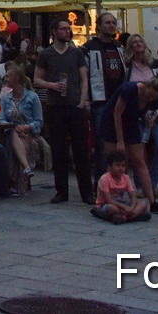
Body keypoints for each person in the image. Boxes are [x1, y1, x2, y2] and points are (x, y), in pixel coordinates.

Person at [34, 17, 91, 204]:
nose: (68, 31)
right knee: (59, 150)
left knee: (81, 149)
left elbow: (84, 78)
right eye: (64, 29)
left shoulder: (77, 53)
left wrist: (82, 101)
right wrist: (51, 85)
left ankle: (87, 192)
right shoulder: (46, 54)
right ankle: (61, 191)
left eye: (69, 28)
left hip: (75, 105)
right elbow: (37, 79)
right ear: (54, 32)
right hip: (55, 106)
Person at [100, 76, 158, 214]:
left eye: (154, 97)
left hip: (131, 121)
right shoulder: (129, 89)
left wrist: (147, 118)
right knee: (115, 159)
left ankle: (152, 200)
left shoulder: (153, 99)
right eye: (149, 95)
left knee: (139, 160)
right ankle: (109, 196)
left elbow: (143, 112)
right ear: (146, 86)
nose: (150, 98)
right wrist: (120, 140)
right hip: (112, 121)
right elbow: (117, 113)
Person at [123, 35, 158, 193]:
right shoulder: (127, 66)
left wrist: (156, 116)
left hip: (155, 113)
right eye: (134, 42)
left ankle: (152, 182)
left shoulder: (155, 65)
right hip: (136, 113)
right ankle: (140, 186)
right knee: (139, 152)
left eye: (140, 41)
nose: (138, 44)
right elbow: (125, 91)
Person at [83, 12, 126, 184]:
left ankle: (118, 182)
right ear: (98, 26)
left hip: (119, 101)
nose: (111, 25)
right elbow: (84, 75)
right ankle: (101, 184)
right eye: (107, 22)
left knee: (117, 143)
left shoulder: (119, 47)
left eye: (113, 22)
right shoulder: (89, 48)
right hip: (100, 100)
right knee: (102, 144)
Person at [0, 65, 42, 196]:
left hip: (29, 133)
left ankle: (16, 182)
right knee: (12, 134)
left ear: (17, 78)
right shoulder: (6, 98)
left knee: (16, 140)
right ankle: (26, 168)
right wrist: (12, 127)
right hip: (11, 131)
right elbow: (2, 118)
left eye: (8, 76)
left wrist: (27, 127)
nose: (5, 78)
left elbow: (39, 121)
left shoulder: (32, 97)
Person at [91, 149, 148, 224]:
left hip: (121, 204)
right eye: (117, 165)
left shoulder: (126, 178)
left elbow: (133, 196)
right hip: (106, 204)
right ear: (110, 167)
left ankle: (124, 217)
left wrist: (132, 207)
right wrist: (124, 207)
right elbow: (108, 200)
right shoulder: (104, 178)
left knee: (143, 203)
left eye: (123, 165)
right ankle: (134, 216)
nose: (120, 168)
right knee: (111, 208)